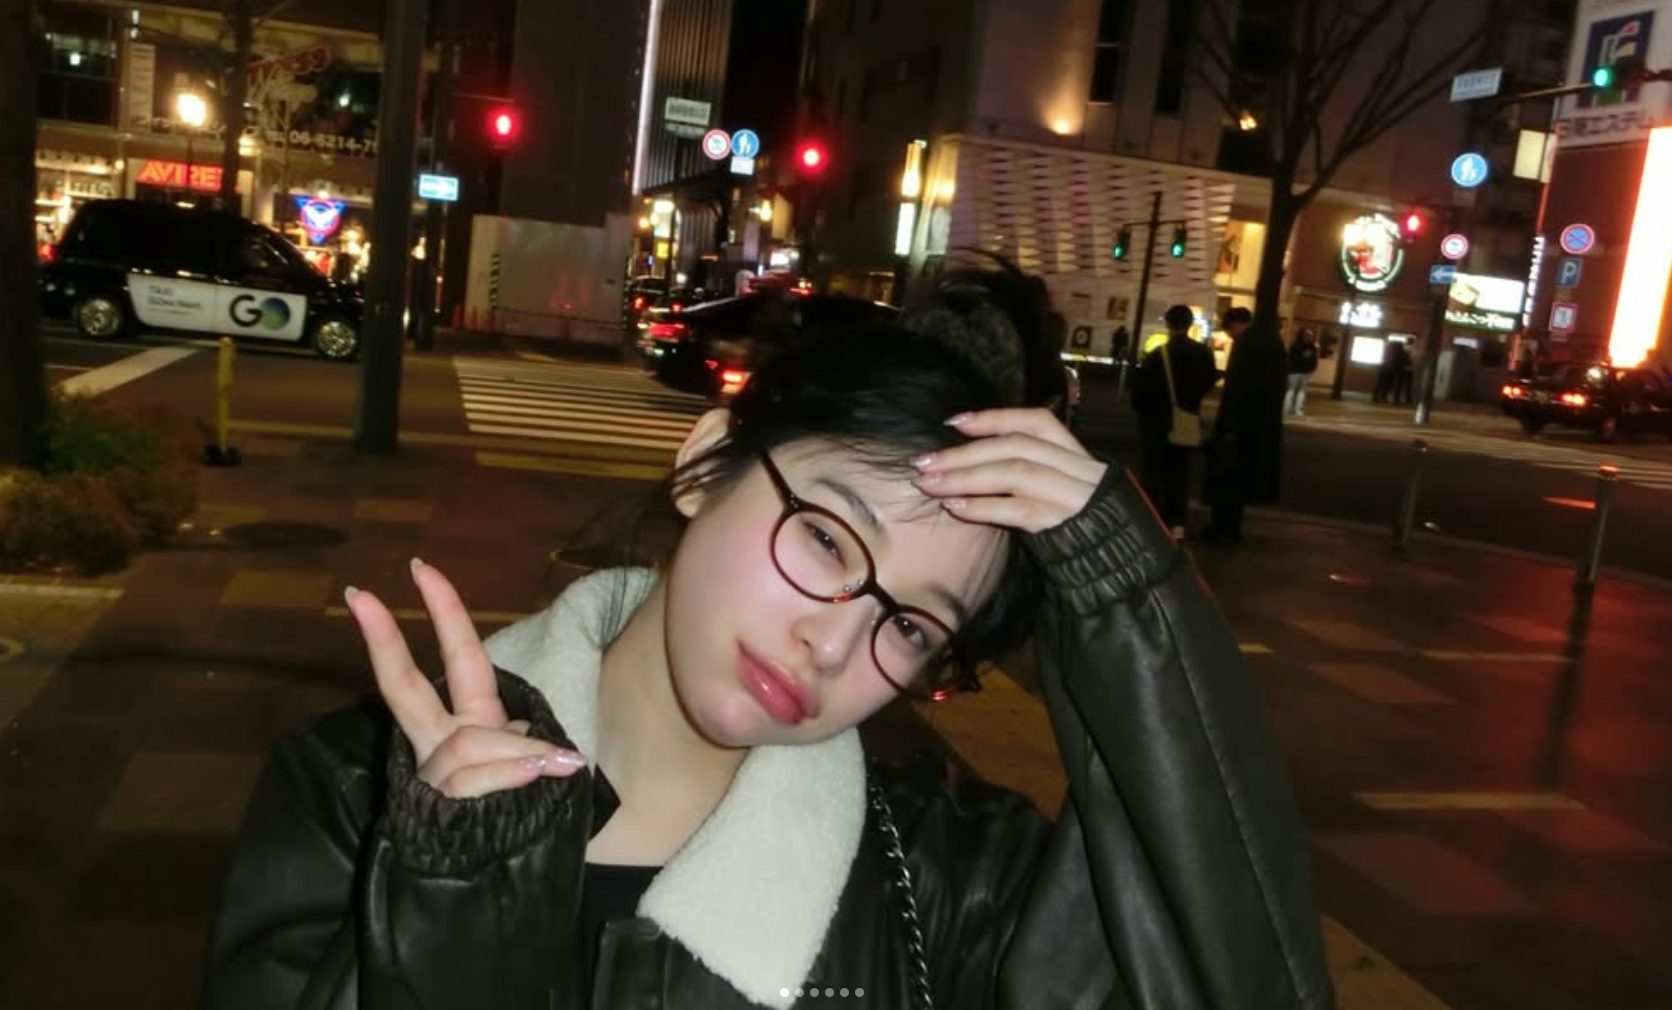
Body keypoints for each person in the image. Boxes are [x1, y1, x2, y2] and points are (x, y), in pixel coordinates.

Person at [203, 265, 1332, 1010]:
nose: (835, 645)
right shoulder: (354, 793)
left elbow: (1228, 973)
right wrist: (451, 909)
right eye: (832, 540)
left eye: (908, 623)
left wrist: (1134, 596)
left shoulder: (949, 875)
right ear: (704, 465)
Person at [1129, 305, 1216, 541]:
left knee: (1154, 472)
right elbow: (1209, 381)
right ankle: (1177, 523)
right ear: (1190, 324)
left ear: (1168, 324)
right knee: (1180, 473)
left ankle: (1152, 521)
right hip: (1186, 419)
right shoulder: (1202, 353)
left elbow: (1139, 392)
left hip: (1156, 422)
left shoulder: (1157, 355)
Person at [1202, 306, 1286, 546]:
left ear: (1235, 325)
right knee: (1239, 484)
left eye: (1229, 331)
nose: (1230, 337)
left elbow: (1236, 392)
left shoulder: (1247, 345)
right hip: (1258, 428)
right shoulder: (1272, 343)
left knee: (1226, 480)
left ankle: (1223, 530)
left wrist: (1228, 430)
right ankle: (1231, 529)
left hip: (1237, 429)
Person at [1284, 327, 1318, 416]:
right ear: (1302, 336)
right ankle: (1292, 409)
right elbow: (1313, 360)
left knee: (1297, 391)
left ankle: (1291, 409)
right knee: (1295, 391)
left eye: (1310, 335)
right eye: (1307, 335)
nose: (1309, 337)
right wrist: (1312, 368)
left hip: (1299, 372)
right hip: (1297, 372)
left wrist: (1312, 369)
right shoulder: (1306, 347)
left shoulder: (1297, 346)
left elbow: (1314, 360)